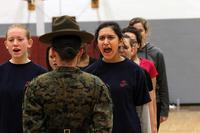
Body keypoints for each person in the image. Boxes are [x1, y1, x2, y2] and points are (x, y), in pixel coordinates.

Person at [23, 15, 113, 133]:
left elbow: (32, 129)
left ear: (54, 52)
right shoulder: (97, 86)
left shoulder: (36, 86)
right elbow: (103, 129)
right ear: (80, 51)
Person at [85, 21, 151, 133]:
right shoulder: (89, 73)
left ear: (120, 41)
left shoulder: (136, 71)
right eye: (101, 38)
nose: (106, 42)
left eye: (110, 37)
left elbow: (142, 111)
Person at [0, 24, 47, 133]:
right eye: (11, 40)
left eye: (20, 39)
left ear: (29, 43)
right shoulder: (1, 71)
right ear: (6, 44)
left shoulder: (41, 74)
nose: (15, 43)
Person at [129, 17, 169, 129]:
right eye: (133, 30)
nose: (137, 33)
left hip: (153, 103)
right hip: (132, 102)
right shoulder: (124, 52)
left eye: (140, 30)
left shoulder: (157, 53)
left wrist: (164, 110)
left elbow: (162, 82)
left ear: (146, 32)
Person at [120, 27, 158, 133]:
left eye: (125, 47)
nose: (122, 50)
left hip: (136, 122)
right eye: (119, 47)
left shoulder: (142, 72)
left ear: (134, 47)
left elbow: (151, 98)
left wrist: (153, 125)